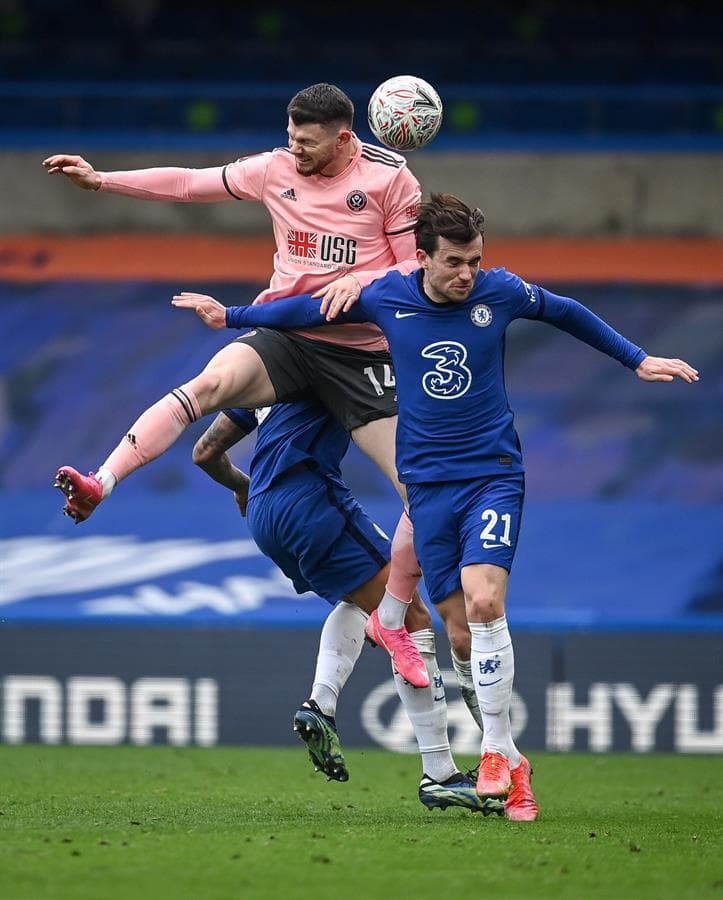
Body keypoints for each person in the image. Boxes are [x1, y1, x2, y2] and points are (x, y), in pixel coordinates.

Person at [180, 192, 700, 821]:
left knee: (484, 603)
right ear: (421, 257)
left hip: (491, 476)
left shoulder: (498, 293)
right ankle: (508, 757)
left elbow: (566, 312)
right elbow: (302, 310)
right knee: (455, 631)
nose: (467, 274)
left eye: (475, 261)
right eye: (454, 262)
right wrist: (230, 315)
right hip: (426, 490)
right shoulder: (385, 297)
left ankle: (482, 757)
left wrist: (638, 359)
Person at [46, 82, 425, 679]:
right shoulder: (274, 169)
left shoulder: (390, 181)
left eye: (307, 141)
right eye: (290, 137)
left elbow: (415, 266)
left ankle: (396, 614)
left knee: (421, 492)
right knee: (207, 386)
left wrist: (368, 284)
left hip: (361, 356)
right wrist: (101, 180)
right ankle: (102, 481)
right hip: (290, 338)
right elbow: (191, 182)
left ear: (344, 138)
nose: (294, 149)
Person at [191, 396, 499, 815]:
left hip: (263, 514)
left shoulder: (266, 365)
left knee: (362, 603)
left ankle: (321, 704)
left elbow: (205, 452)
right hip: (311, 500)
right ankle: (440, 774)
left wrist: (245, 487)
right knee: (410, 618)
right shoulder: (333, 354)